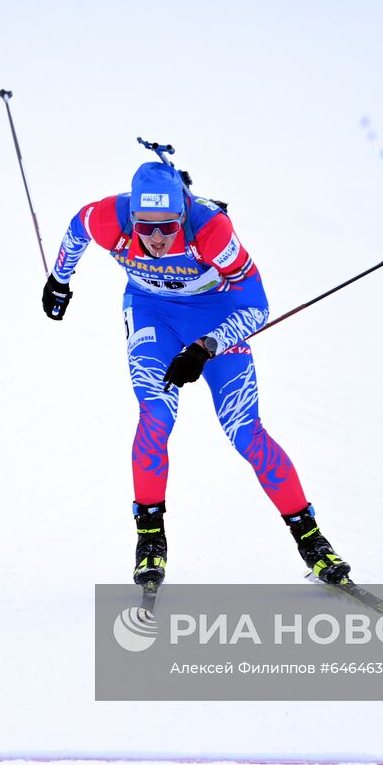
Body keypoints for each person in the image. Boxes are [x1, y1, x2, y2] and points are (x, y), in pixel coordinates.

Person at [41, 159, 352, 589]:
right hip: (153, 313)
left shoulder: (210, 230)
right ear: (131, 215)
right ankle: (150, 539)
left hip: (217, 317)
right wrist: (59, 280)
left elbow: (257, 306)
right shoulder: (109, 217)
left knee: (245, 429)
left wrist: (206, 347)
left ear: (183, 212)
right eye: (145, 227)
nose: (154, 239)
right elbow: (77, 228)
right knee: (156, 417)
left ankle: (311, 539)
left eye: (167, 227)